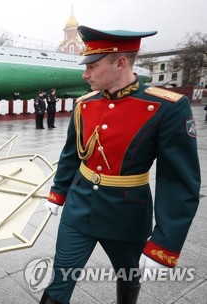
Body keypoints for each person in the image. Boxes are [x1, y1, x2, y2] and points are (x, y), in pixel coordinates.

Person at [40, 25, 200, 304]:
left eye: (92, 66)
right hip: (78, 207)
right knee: (59, 279)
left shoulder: (167, 107)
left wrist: (165, 244)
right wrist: (58, 193)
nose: (85, 74)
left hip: (127, 213)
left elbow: (178, 181)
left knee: (129, 277)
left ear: (121, 63)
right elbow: (71, 155)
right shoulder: (84, 104)